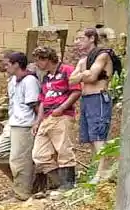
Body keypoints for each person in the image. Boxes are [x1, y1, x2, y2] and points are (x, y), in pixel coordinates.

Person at [71, 26, 122, 183]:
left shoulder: (102, 55)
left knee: (99, 136)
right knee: (91, 138)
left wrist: (83, 75)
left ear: (92, 38)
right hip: (86, 100)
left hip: (98, 97)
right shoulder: (82, 61)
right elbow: (71, 80)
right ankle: (96, 172)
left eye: (80, 38)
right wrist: (83, 74)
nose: (76, 42)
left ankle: (102, 173)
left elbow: (92, 77)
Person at [31, 46, 81, 191]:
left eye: (38, 60)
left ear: (46, 59)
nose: (37, 64)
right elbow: (42, 100)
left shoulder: (67, 70)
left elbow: (76, 91)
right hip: (47, 117)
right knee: (39, 155)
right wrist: (38, 121)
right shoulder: (46, 78)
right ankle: (59, 182)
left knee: (64, 149)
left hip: (62, 116)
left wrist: (62, 108)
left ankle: (68, 184)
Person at [0, 52, 38, 201]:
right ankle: (27, 180)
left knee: (19, 161)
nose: (5, 67)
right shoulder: (12, 80)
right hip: (12, 122)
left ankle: (22, 193)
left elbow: (35, 105)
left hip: (25, 124)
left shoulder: (30, 80)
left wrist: (38, 123)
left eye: (8, 64)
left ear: (17, 64)